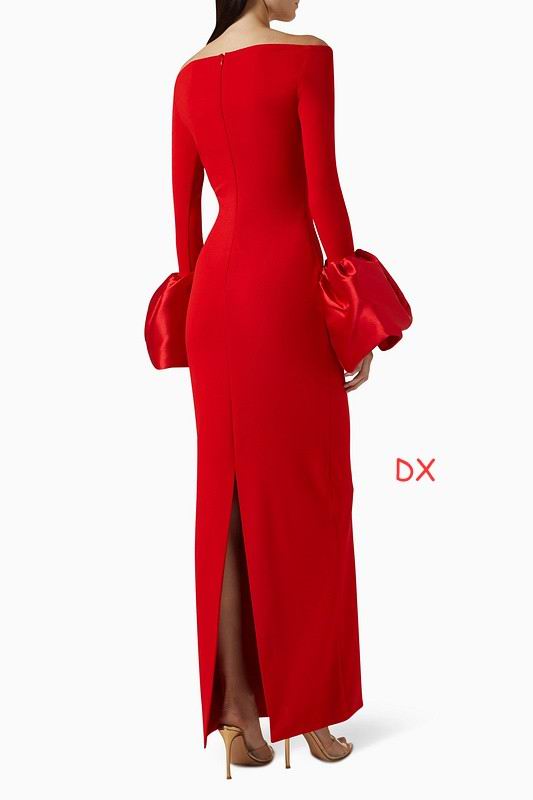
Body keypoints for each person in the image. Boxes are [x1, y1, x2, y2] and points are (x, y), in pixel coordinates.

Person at [147, 0, 411, 779]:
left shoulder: (188, 75)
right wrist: (352, 313)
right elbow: (322, 192)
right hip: (281, 290)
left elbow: (184, 215)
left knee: (226, 498)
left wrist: (190, 305)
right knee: (310, 492)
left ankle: (237, 715)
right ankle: (310, 708)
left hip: (215, 298)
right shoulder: (305, 55)